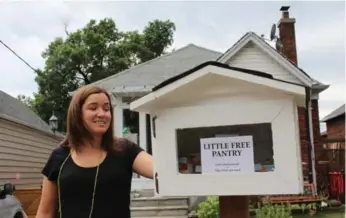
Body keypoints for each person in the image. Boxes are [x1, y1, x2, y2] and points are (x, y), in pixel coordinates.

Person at [36, 85, 153, 218]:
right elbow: (45, 212)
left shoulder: (124, 150)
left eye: (106, 108)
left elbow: (161, 170)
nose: (102, 114)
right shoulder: (59, 157)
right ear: (78, 113)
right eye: (93, 108)